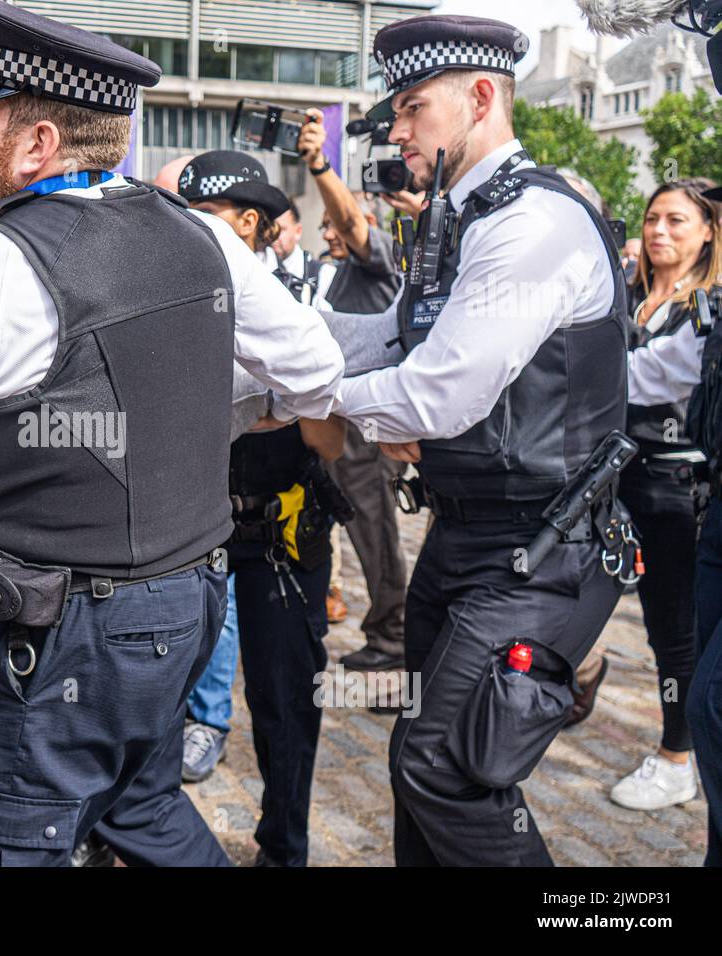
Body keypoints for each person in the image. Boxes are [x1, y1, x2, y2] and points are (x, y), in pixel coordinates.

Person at [0, 0, 344, 867]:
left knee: (12, 840)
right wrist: (203, 412)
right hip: (190, 598)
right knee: (143, 806)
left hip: (63, 623)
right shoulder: (204, 237)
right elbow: (314, 371)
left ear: (38, 141)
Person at [324, 14, 628, 865]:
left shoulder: (532, 221)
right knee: (420, 761)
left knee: (447, 767)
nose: (399, 128)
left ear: (482, 97)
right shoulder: (456, 221)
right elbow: (387, 339)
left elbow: (440, 393)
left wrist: (309, 395)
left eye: (414, 107)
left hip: (545, 550)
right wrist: (255, 338)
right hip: (469, 540)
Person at [176, 149, 347, 865]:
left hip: (281, 529)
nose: (191, 234)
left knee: (283, 703)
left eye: (207, 221)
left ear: (249, 222)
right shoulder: (171, 297)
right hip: (190, 528)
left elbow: (330, 437)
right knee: (158, 696)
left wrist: (286, 400)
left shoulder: (302, 297)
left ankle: (284, 847)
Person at [602, 178, 721, 811]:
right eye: (652, 218)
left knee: (673, 628)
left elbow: (650, 378)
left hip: (674, 487)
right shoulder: (627, 296)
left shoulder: (703, 308)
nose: (660, 231)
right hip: (614, 479)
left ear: (707, 232)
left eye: (677, 220)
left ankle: (677, 757)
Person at [297, 114, 407, 673]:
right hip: (325, 424)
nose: (334, 228)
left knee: (375, 533)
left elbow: (351, 220)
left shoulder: (379, 264)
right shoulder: (326, 271)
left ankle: (394, 635)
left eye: (345, 221)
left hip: (366, 431)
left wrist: (319, 165)